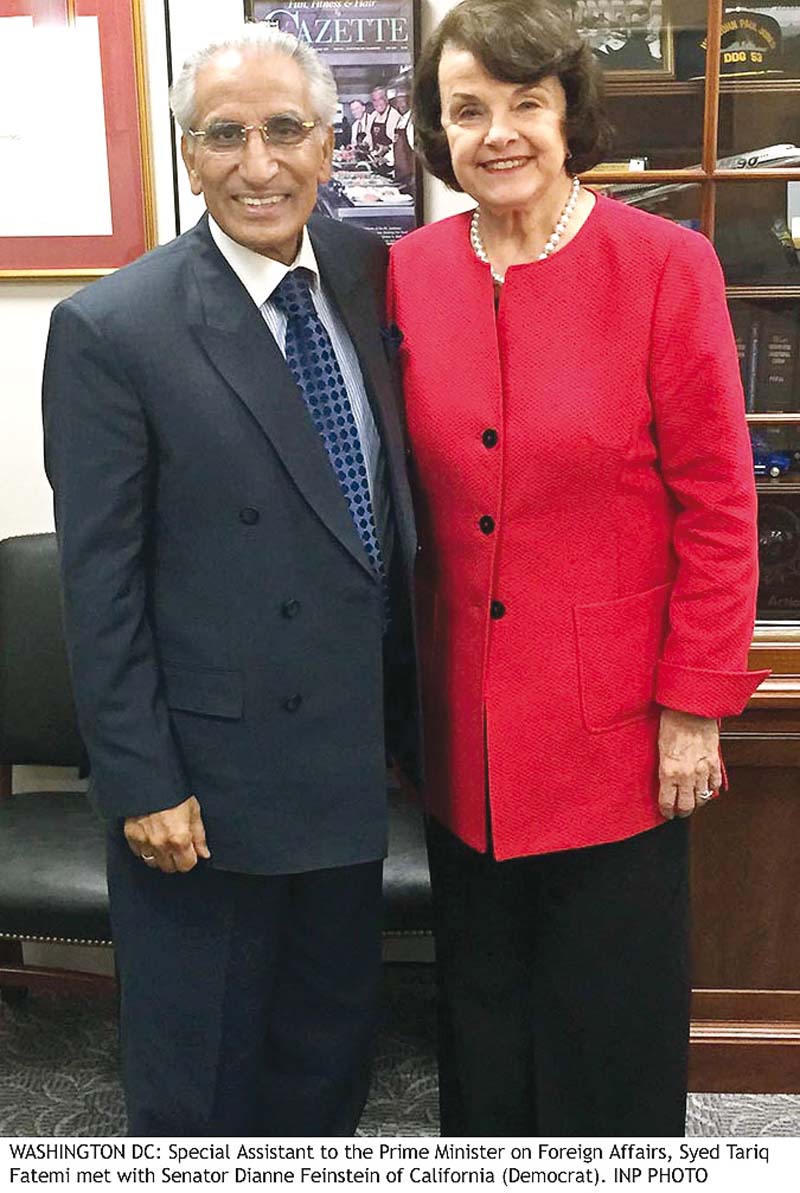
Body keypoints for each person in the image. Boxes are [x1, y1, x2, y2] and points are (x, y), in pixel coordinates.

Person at [387, 0, 768, 1138]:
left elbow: (716, 505)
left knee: (607, 1019)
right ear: (434, 128)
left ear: (567, 117)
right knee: (483, 1017)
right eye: (467, 110)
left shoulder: (663, 263)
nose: (496, 132)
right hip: (464, 731)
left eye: (524, 104)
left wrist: (692, 706)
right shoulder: (403, 273)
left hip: (617, 728)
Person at [43, 22, 417, 1137]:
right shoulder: (113, 327)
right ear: (190, 155)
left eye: (285, 130)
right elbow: (97, 587)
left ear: (329, 138)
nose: (259, 164)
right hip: (200, 788)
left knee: (323, 1052)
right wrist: (141, 781)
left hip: (349, 762)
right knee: (199, 1081)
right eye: (225, 135)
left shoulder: (368, 274)